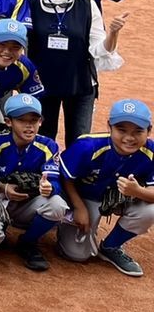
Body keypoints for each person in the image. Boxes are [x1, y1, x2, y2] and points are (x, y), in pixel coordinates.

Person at [18, 0, 126, 144]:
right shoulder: (29, 5)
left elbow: (99, 49)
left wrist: (113, 33)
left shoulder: (87, 6)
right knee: (41, 141)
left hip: (80, 85)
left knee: (79, 143)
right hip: (41, 86)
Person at [58, 99, 154, 276]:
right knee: (77, 254)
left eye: (138, 131)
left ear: (149, 131)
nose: (129, 138)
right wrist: (78, 207)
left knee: (150, 210)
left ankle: (111, 246)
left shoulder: (151, 153)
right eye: (122, 130)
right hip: (85, 198)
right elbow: (65, 177)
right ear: (109, 127)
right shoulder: (87, 146)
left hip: (123, 198)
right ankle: (63, 222)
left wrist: (137, 191)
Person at [0, 94, 67, 271]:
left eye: (34, 120)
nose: (29, 126)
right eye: (22, 120)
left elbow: (55, 181)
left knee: (57, 205)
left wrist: (50, 188)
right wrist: (2, 187)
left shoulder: (48, 146)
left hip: (27, 203)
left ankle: (28, 242)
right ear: (8, 122)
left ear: (41, 122)